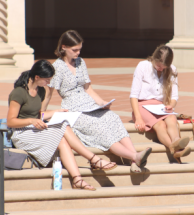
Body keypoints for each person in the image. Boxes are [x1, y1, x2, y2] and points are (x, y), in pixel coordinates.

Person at [47, 30, 152, 173]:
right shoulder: (57, 67)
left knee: (112, 117)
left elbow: (88, 88)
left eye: (79, 49)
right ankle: (135, 156)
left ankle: (135, 160)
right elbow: (48, 93)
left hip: (90, 105)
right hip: (73, 110)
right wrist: (41, 112)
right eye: (75, 50)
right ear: (64, 47)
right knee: (100, 128)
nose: (78, 53)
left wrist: (102, 103)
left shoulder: (80, 62)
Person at [7, 59, 117, 191]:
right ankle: (94, 159)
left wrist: (56, 112)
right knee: (63, 128)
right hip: (21, 133)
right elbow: (11, 121)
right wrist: (31, 121)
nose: (49, 83)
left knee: (63, 138)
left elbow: (38, 115)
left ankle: (77, 180)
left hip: (34, 129)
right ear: (37, 77)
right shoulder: (19, 93)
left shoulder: (40, 91)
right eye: (47, 80)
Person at [129, 45, 191, 164]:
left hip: (159, 106)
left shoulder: (172, 69)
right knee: (160, 125)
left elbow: (174, 97)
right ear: (154, 58)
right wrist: (138, 118)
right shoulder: (143, 66)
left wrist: (171, 105)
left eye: (164, 68)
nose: (160, 69)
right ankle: (175, 148)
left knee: (172, 119)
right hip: (142, 105)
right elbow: (134, 95)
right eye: (158, 66)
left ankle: (176, 141)